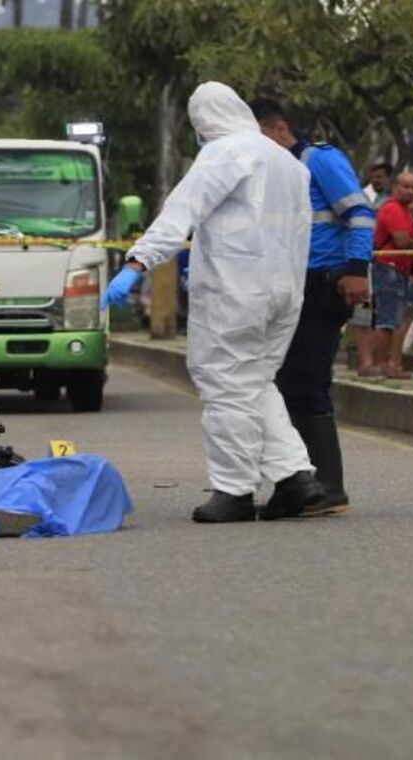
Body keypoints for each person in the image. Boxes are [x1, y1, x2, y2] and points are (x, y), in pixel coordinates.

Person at [103, 83, 323, 523]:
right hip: (284, 290)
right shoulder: (287, 162)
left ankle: (233, 491)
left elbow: (181, 212)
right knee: (255, 381)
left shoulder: (225, 153)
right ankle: (296, 478)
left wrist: (137, 263)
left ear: (202, 121)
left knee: (224, 384)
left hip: (235, 289)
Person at [250, 97, 374, 516]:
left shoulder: (319, 159)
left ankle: (325, 485)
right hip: (289, 287)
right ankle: (301, 482)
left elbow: (359, 214)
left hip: (323, 283)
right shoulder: (272, 172)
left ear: (279, 129)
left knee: (305, 379)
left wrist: (357, 270)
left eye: (259, 136)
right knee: (287, 381)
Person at [366, 172, 413, 378]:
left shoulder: (406, 211)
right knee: (387, 319)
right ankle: (382, 365)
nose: (410, 191)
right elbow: (403, 241)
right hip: (388, 267)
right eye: (406, 186)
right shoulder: (392, 209)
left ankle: (391, 363)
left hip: (401, 270)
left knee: (398, 318)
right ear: (395, 187)